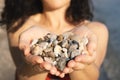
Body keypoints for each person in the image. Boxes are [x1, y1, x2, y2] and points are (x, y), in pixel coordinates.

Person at [1, 0, 108, 80]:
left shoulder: (95, 30)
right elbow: (23, 77)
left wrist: (80, 60)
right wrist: (36, 65)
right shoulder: (20, 27)